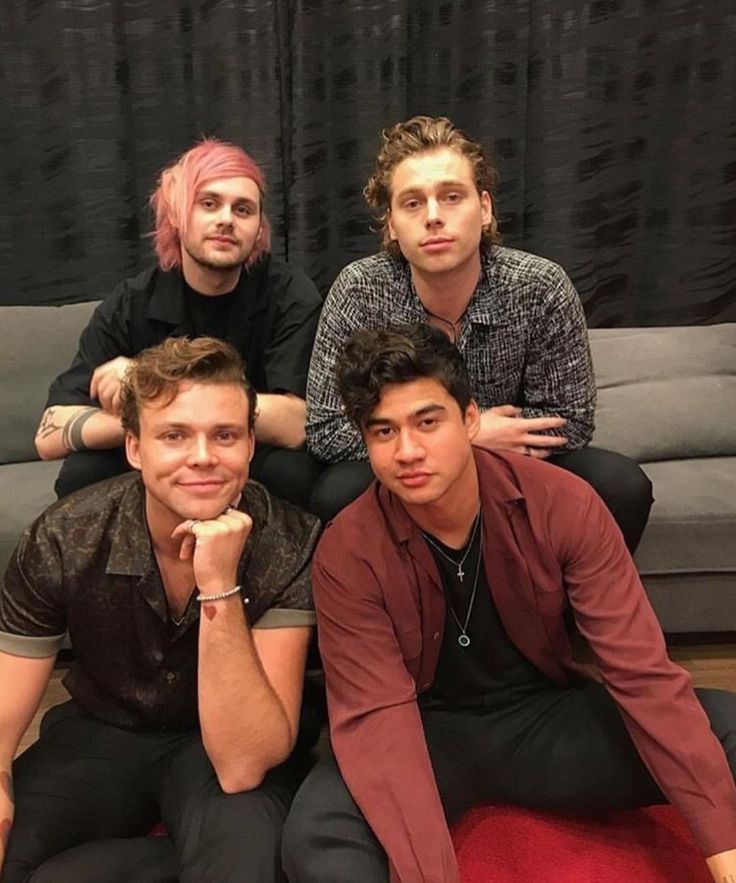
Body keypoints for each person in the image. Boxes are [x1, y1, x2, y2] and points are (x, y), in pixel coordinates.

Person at [283, 324, 736, 883]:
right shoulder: (347, 550)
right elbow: (377, 719)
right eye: (383, 431)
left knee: (724, 727)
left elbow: (640, 673)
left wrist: (723, 851)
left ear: (470, 419)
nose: (408, 451)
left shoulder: (562, 504)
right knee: (318, 832)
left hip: (543, 720)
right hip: (425, 732)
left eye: (428, 421)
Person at [1, 337, 321, 883]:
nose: (202, 457)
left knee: (243, 865)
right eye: (174, 435)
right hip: (102, 729)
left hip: (218, 744)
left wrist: (218, 584)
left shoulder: (289, 539)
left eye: (224, 435)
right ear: (134, 448)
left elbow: (243, 764)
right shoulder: (66, 535)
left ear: (249, 445)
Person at [306, 115, 652, 551]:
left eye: (451, 197)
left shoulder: (540, 286)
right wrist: (466, 432)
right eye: (412, 203)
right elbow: (325, 428)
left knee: (621, 484)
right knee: (336, 492)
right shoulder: (360, 289)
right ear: (391, 224)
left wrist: (477, 446)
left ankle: (559, 611)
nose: (433, 217)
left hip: (512, 464)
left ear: (484, 209)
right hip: (405, 458)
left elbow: (573, 420)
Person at [35, 138, 323, 509]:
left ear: (258, 228)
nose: (225, 219)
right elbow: (49, 434)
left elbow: (296, 422)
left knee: (293, 472)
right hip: (162, 457)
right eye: (208, 204)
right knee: (83, 472)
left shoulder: (289, 294)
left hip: (247, 455)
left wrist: (150, 390)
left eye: (243, 209)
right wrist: (159, 428)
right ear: (176, 215)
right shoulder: (132, 301)